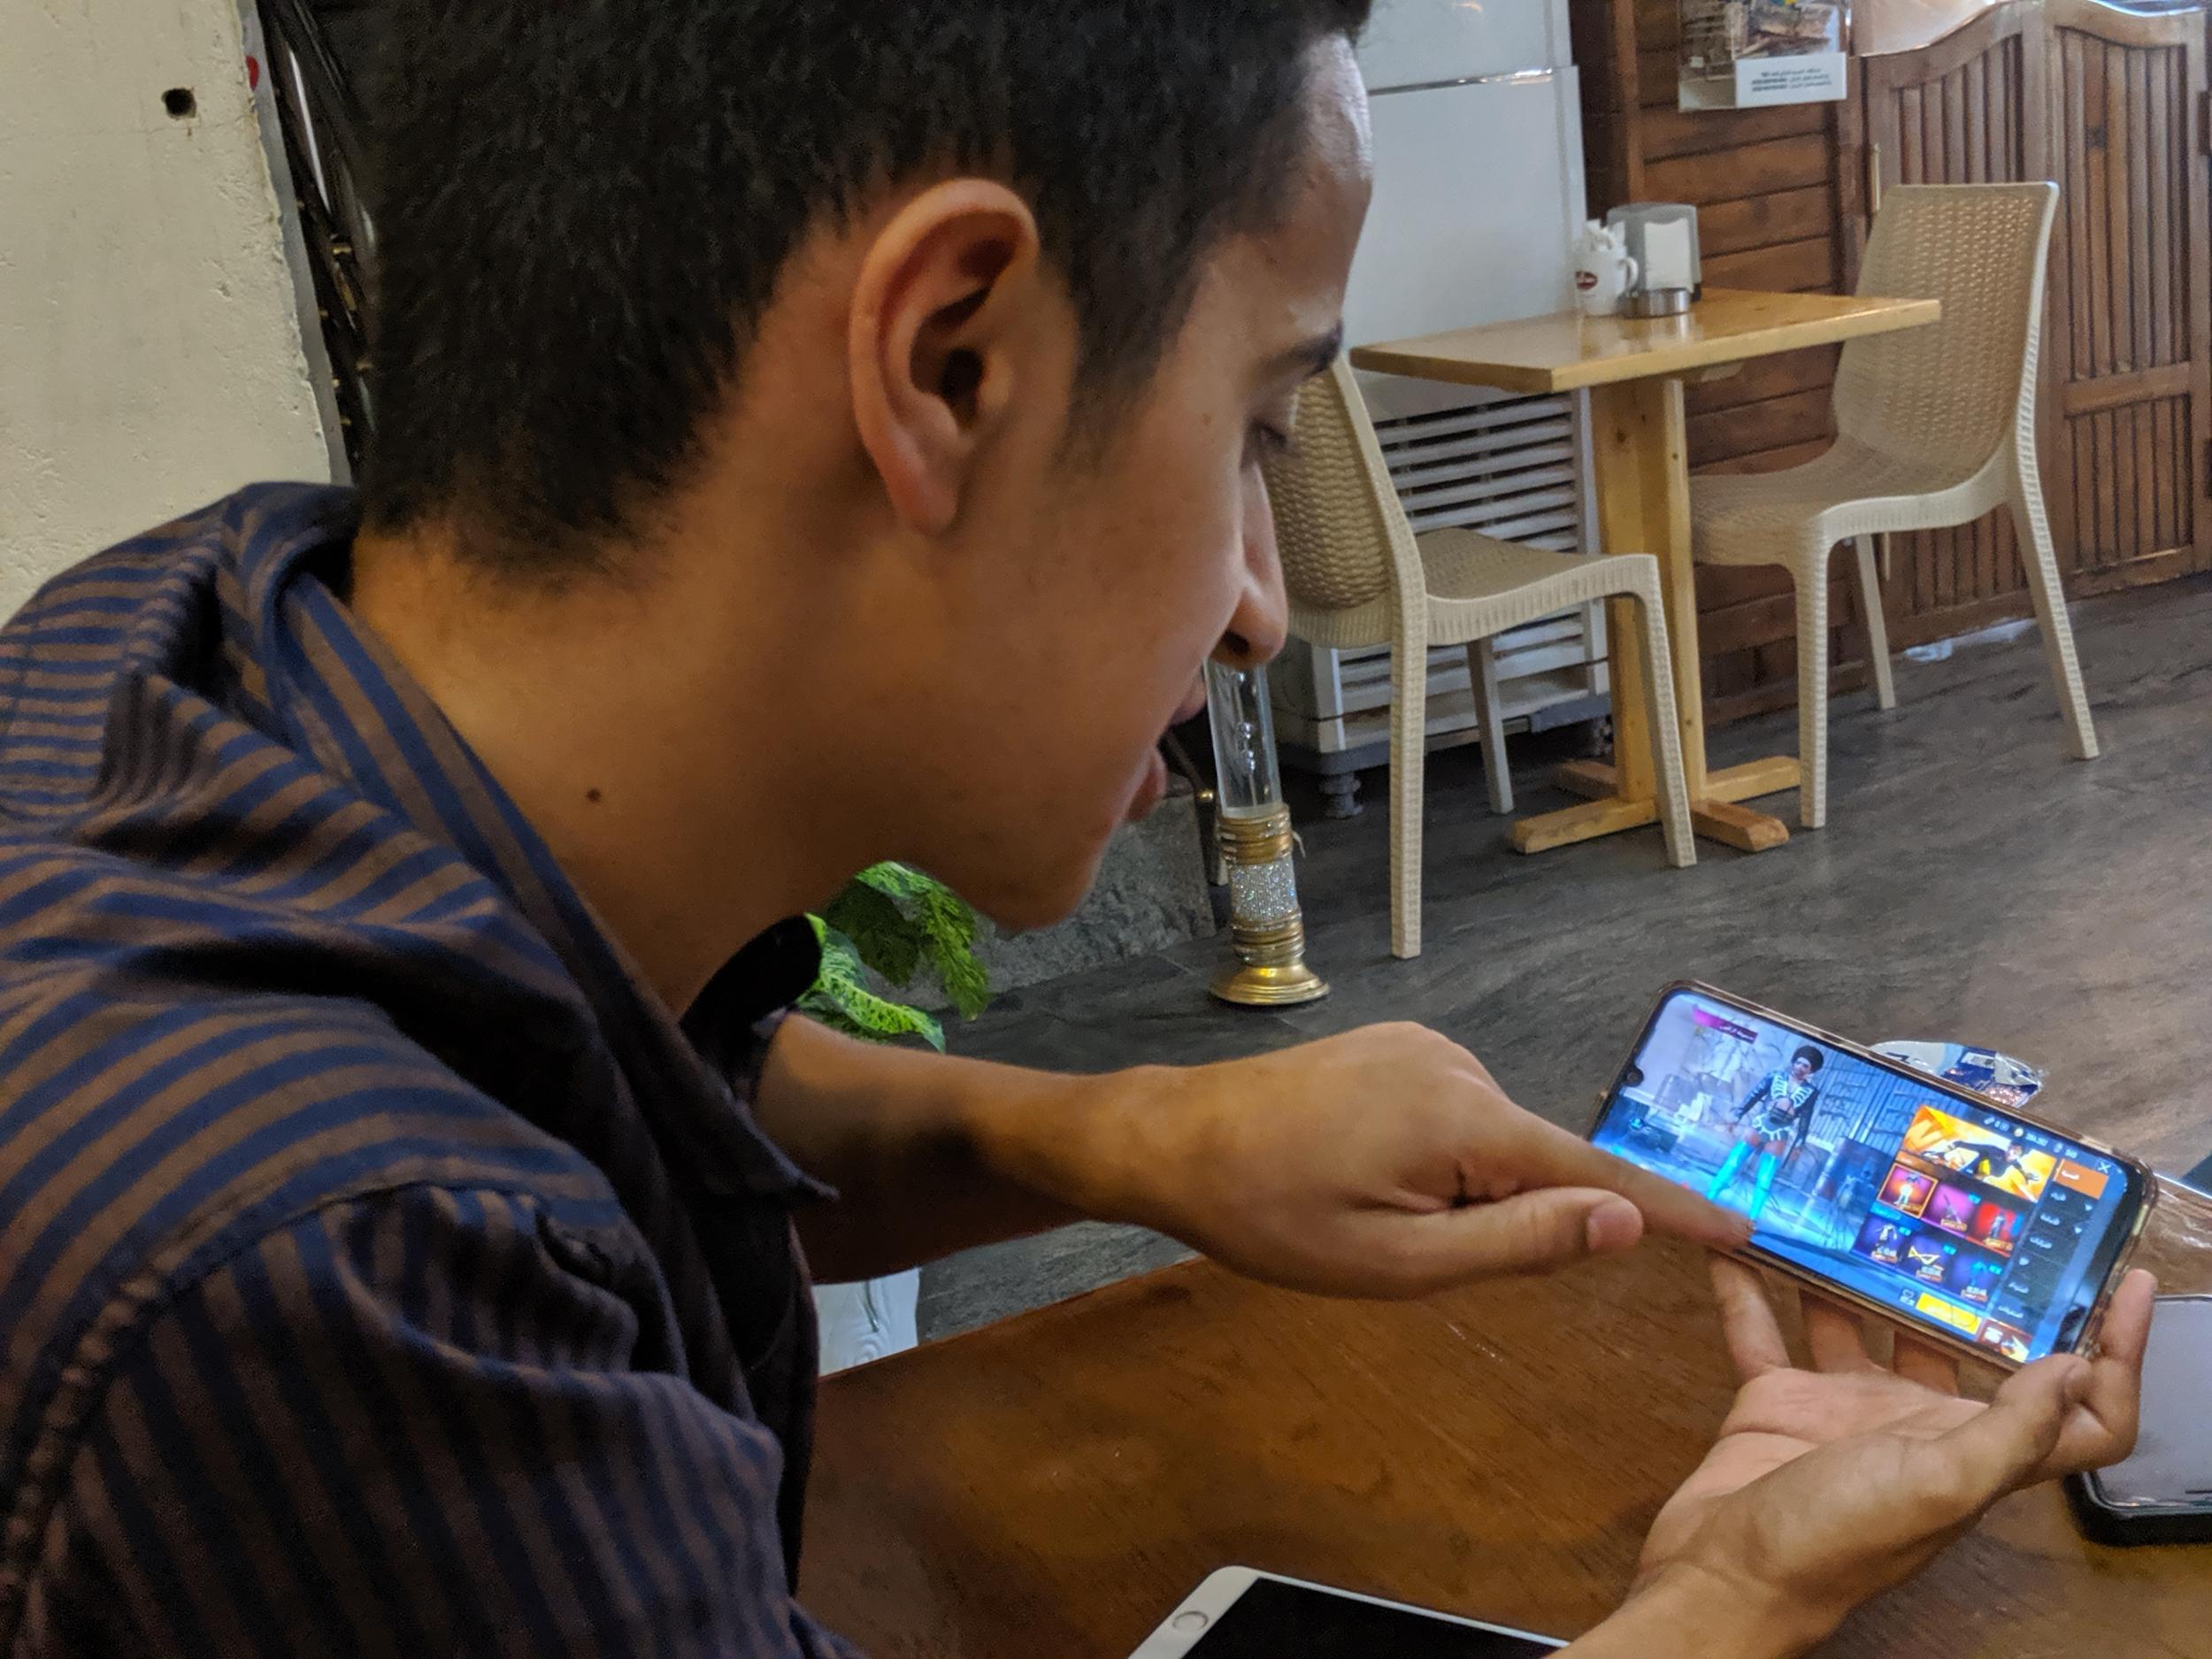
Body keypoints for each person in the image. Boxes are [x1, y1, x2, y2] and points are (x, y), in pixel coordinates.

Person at [0, 5, 2153, 1657]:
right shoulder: (320, 1291)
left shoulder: (196, 639)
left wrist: (1121, 1136)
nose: (1259, 598)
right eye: (1251, 429)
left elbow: (640, 1074)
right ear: (947, 356)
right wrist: (1714, 1599)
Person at [1708, 1046, 1827, 1223]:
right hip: (1760, 1124)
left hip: (1780, 1132)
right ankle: (1709, 1198)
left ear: (1811, 1071)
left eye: (1806, 1066)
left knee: (1765, 1177)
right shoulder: (1774, 1077)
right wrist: (1737, 1117)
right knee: (1733, 1162)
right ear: (1793, 1062)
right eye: (1799, 1063)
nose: (1800, 1068)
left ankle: (1753, 1218)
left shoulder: (1810, 1092)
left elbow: (1805, 1120)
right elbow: (1753, 1096)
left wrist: (1799, 1144)